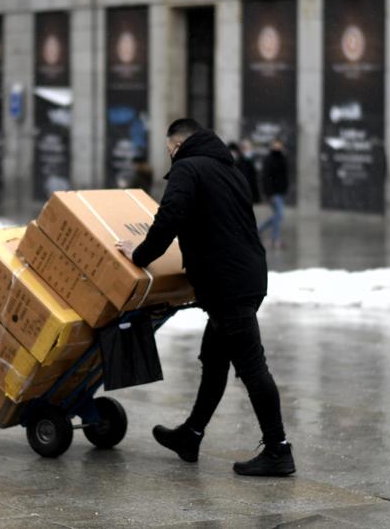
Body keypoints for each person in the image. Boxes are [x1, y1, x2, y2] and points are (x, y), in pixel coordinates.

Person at [115, 119, 294, 477]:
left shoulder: (188, 168)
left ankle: (278, 450)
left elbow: (170, 218)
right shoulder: (229, 169)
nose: (169, 159)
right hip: (245, 277)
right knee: (214, 360)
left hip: (227, 284)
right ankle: (191, 435)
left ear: (179, 146)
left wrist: (139, 255)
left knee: (252, 366)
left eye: (169, 152)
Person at [257, 139, 289, 249]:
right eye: (275, 144)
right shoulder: (269, 159)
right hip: (274, 193)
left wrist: (285, 189)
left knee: (277, 216)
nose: (277, 146)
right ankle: (274, 238)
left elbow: (284, 176)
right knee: (279, 215)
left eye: (279, 144)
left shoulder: (283, 158)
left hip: (281, 192)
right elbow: (266, 178)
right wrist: (269, 193)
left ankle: (260, 230)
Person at [230, 141, 261, 205]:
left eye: (247, 148)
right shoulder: (239, 159)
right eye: (244, 148)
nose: (246, 150)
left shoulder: (253, 158)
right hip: (241, 185)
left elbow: (254, 173)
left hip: (249, 185)